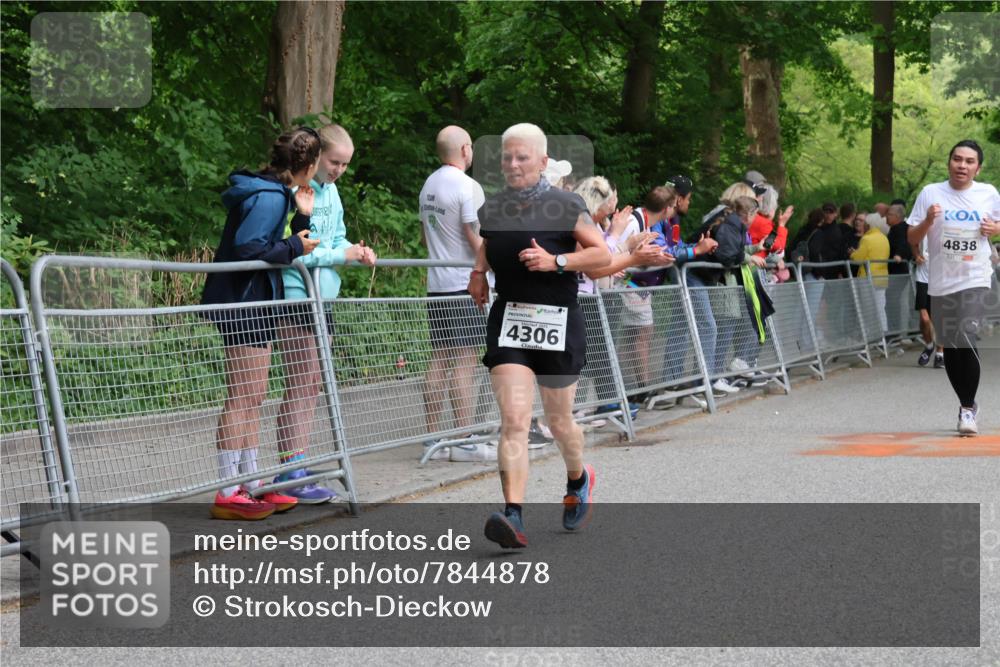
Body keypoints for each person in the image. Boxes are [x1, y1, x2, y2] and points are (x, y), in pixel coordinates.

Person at [468, 123, 611, 548]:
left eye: (522, 157)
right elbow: (487, 243)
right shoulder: (492, 208)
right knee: (513, 420)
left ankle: (578, 478)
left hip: (558, 321)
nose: (513, 164)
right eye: (507, 157)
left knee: (559, 421)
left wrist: (557, 261)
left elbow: (601, 253)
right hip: (510, 319)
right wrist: (478, 273)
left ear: (543, 161)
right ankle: (513, 515)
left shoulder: (566, 205)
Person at [201, 127, 322, 520]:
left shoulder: (273, 193)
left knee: (254, 394)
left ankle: (252, 482)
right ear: (309, 164)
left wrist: (300, 220)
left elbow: (268, 243)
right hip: (243, 301)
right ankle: (227, 490)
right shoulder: (269, 196)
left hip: (254, 300)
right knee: (243, 394)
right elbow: (250, 247)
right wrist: (293, 247)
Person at [275, 124, 376, 504]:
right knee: (301, 382)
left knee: (312, 385)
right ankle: (290, 470)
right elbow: (298, 248)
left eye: (346, 165)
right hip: (298, 296)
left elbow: (336, 240)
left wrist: (357, 251)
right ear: (316, 157)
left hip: (324, 298)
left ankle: (295, 462)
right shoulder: (295, 192)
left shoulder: (332, 192)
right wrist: (340, 255)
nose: (339, 171)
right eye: (334, 162)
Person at [907, 139, 1000, 435]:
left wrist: (995, 229)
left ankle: (968, 409)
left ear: (977, 168)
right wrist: (928, 221)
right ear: (949, 162)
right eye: (957, 159)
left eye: (969, 161)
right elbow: (911, 237)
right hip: (941, 280)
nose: (962, 165)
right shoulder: (930, 193)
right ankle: (966, 403)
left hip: (975, 276)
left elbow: (998, 225)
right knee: (950, 347)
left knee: (967, 336)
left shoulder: (988, 193)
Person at [419, 125, 496, 463]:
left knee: (439, 360)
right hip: (465, 285)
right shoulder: (468, 186)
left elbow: (425, 237)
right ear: (465, 149)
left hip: (436, 284)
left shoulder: (428, 185)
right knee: (465, 362)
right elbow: (473, 235)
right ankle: (464, 439)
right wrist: (496, 265)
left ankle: (431, 439)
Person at [850, 213, 891, 333]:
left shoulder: (866, 239)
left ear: (868, 225)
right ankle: (882, 334)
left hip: (867, 278)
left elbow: (858, 259)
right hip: (882, 278)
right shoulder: (884, 238)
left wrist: (852, 253)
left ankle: (870, 335)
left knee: (867, 309)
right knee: (880, 308)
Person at [911, 233, 944, 368]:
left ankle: (940, 355)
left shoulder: (949, 231)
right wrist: (916, 256)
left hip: (941, 280)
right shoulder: (923, 229)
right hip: (923, 278)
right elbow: (912, 241)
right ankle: (929, 345)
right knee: (925, 318)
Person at [885, 203, 913, 334]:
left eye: (889, 214)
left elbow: (906, 243)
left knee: (892, 301)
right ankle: (894, 331)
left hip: (899, 272)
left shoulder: (901, 229)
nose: (886, 217)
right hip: (895, 271)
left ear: (897, 216)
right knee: (892, 301)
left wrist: (899, 254)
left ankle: (894, 332)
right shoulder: (895, 228)